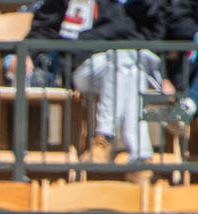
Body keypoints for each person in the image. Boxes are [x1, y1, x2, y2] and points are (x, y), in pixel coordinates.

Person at [10, 0, 164, 176]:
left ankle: (115, 144)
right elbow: (46, 26)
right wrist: (27, 53)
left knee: (128, 62)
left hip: (124, 64)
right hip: (82, 66)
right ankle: (138, 155)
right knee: (125, 61)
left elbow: (144, 28)